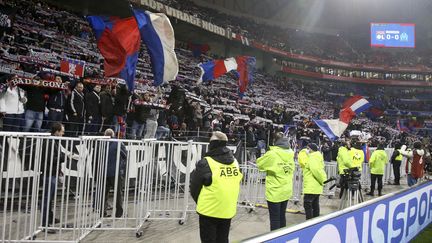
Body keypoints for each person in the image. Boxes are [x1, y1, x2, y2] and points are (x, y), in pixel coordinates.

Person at [190, 131, 243, 243]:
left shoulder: (206, 163)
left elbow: (194, 188)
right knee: (223, 239)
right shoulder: (235, 162)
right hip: (227, 210)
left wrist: (201, 202)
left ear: (212, 145)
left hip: (209, 211)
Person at [256, 132, 295, 231]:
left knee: (275, 219)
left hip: (275, 191)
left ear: (275, 141)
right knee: (282, 216)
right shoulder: (290, 153)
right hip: (286, 190)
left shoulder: (272, 154)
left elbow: (260, 164)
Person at [40, 122, 65, 233]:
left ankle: (49, 218)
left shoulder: (53, 141)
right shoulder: (50, 142)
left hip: (52, 173)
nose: (63, 134)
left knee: (49, 199)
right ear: (56, 132)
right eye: (62, 132)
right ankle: (45, 224)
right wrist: (63, 157)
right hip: (49, 174)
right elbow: (51, 159)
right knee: (47, 199)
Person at [102, 128, 127, 217]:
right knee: (118, 193)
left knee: (103, 193)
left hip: (104, 172)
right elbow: (125, 155)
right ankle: (119, 213)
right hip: (115, 172)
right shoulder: (118, 143)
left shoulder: (101, 143)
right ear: (113, 135)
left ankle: (102, 212)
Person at [302, 143, 327, 220]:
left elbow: (316, 170)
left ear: (311, 149)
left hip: (311, 186)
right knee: (315, 205)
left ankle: (309, 223)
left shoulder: (313, 157)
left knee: (308, 205)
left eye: (308, 148)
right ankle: (315, 222)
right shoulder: (317, 156)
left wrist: (323, 180)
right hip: (316, 186)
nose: (307, 150)